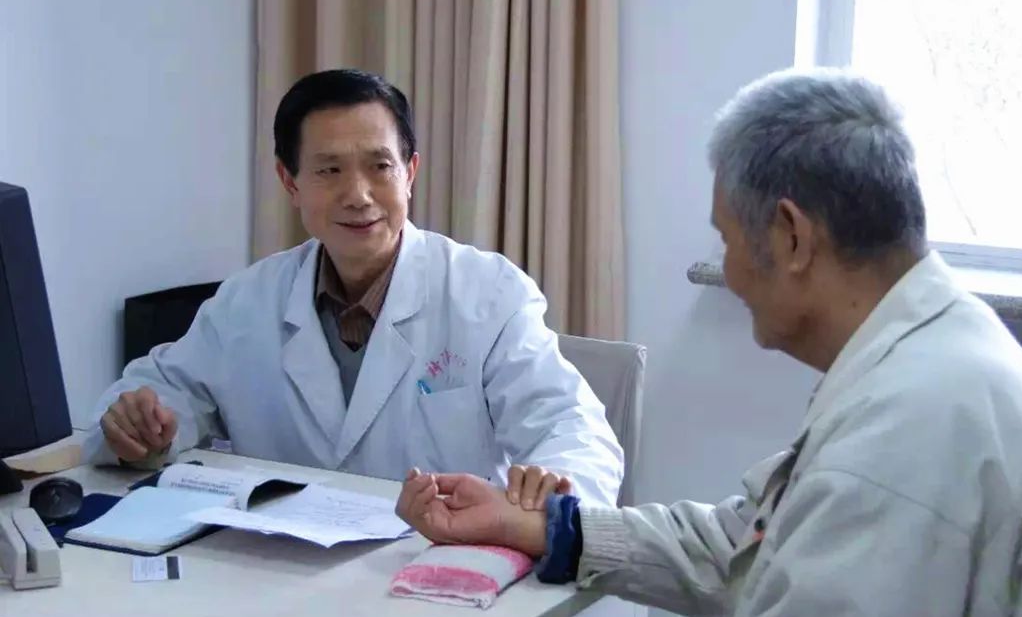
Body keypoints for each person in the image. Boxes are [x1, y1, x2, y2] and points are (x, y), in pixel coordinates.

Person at [397, 69, 1022, 617]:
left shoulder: (903, 442)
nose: (727, 267)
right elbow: (743, 543)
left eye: (725, 238)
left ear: (791, 236)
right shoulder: (931, 357)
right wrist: (549, 528)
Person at [84, 69, 623, 507]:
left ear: (410, 173)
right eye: (329, 171)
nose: (358, 195)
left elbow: (572, 429)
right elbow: (156, 396)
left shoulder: (489, 294)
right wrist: (135, 427)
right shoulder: (246, 302)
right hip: (278, 572)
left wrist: (553, 489)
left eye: (379, 166)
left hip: (436, 564)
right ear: (290, 181)